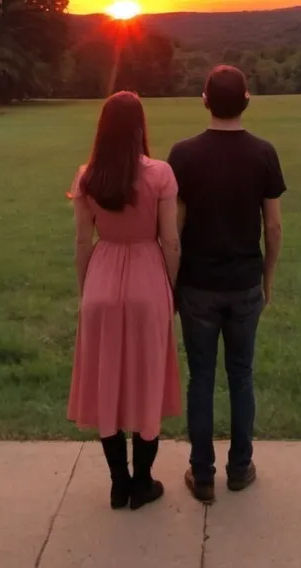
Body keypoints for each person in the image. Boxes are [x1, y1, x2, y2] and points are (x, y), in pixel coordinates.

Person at [168, 65, 285, 505]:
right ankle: (240, 469)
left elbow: (173, 231)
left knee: (200, 377)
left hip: (197, 284)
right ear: (247, 100)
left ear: (204, 100)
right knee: (241, 376)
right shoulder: (263, 153)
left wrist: (171, 282)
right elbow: (273, 228)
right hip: (244, 283)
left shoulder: (183, 154)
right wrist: (267, 277)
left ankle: (202, 474)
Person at [67, 91, 182, 510]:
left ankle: (118, 483)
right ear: (139, 128)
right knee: (146, 380)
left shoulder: (87, 177)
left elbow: (82, 243)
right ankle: (142, 481)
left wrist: (87, 289)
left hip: (102, 278)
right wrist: (170, 286)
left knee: (107, 382)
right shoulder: (160, 174)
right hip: (147, 277)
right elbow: (170, 240)